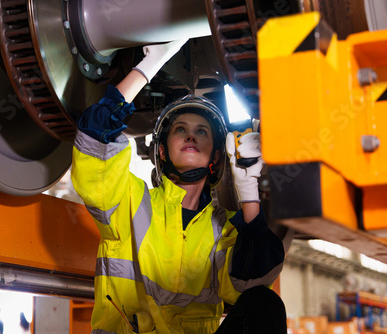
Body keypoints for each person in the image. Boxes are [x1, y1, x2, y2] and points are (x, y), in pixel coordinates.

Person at [71, 39, 287, 334]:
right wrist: (147, 68)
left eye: (201, 131)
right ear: (161, 151)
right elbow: (95, 136)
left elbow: (252, 288)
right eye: (180, 130)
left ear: (215, 155)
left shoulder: (222, 232)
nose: (191, 136)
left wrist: (249, 194)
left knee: (266, 303)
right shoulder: (129, 201)